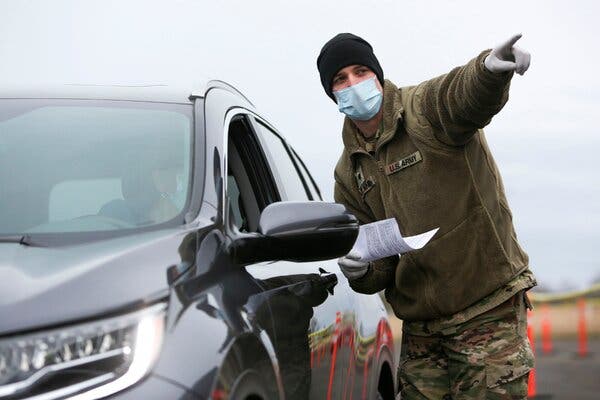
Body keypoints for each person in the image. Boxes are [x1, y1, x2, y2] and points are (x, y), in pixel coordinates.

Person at [316, 33, 537, 399]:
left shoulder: (422, 110)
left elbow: (460, 95)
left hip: (485, 307)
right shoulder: (348, 172)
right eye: (340, 79)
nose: (353, 84)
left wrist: (489, 72)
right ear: (332, 93)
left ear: (377, 74)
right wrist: (362, 270)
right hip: (422, 328)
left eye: (360, 71)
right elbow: (377, 260)